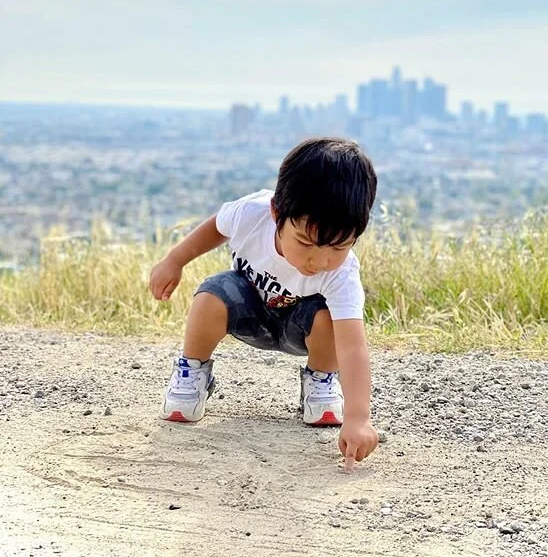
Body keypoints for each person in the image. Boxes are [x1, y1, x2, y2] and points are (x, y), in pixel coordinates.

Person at [149, 136, 379, 467]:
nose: (319, 261)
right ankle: (192, 373)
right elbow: (216, 226)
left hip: (302, 327)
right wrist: (175, 260)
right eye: (305, 242)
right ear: (276, 213)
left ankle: (321, 380)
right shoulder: (252, 214)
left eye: (338, 247)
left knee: (330, 317)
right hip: (249, 311)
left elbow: (353, 347)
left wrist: (358, 417)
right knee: (210, 294)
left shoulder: (341, 275)